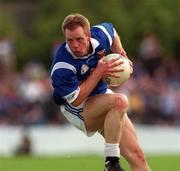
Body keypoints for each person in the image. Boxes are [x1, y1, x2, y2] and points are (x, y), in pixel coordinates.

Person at [50, 13, 152, 171]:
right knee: (120, 101)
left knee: (138, 156)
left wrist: (122, 54)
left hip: (103, 97)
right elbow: (76, 99)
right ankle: (111, 162)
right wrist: (98, 72)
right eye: (69, 40)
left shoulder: (99, 36)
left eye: (79, 39)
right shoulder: (62, 65)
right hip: (79, 109)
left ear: (88, 34)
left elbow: (112, 31)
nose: (75, 45)